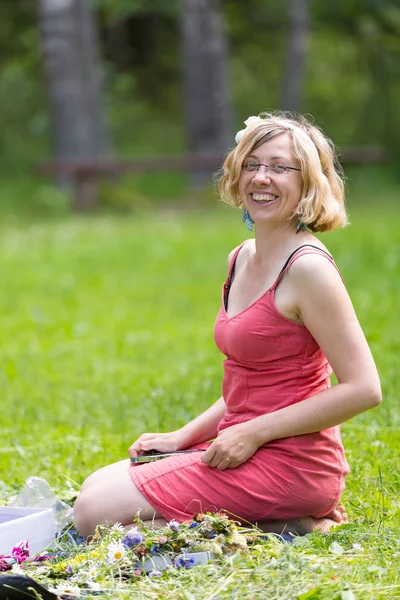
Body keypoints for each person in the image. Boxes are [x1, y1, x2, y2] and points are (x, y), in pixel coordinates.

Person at [74, 112, 381, 539]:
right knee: (94, 489)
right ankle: (281, 525)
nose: (261, 178)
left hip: (291, 461)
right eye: (251, 165)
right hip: (239, 444)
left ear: (309, 181)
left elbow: (364, 388)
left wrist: (252, 433)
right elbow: (251, 384)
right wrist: (183, 436)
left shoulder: (309, 270)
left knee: (94, 514)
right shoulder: (241, 257)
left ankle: (278, 524)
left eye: (279, 167)